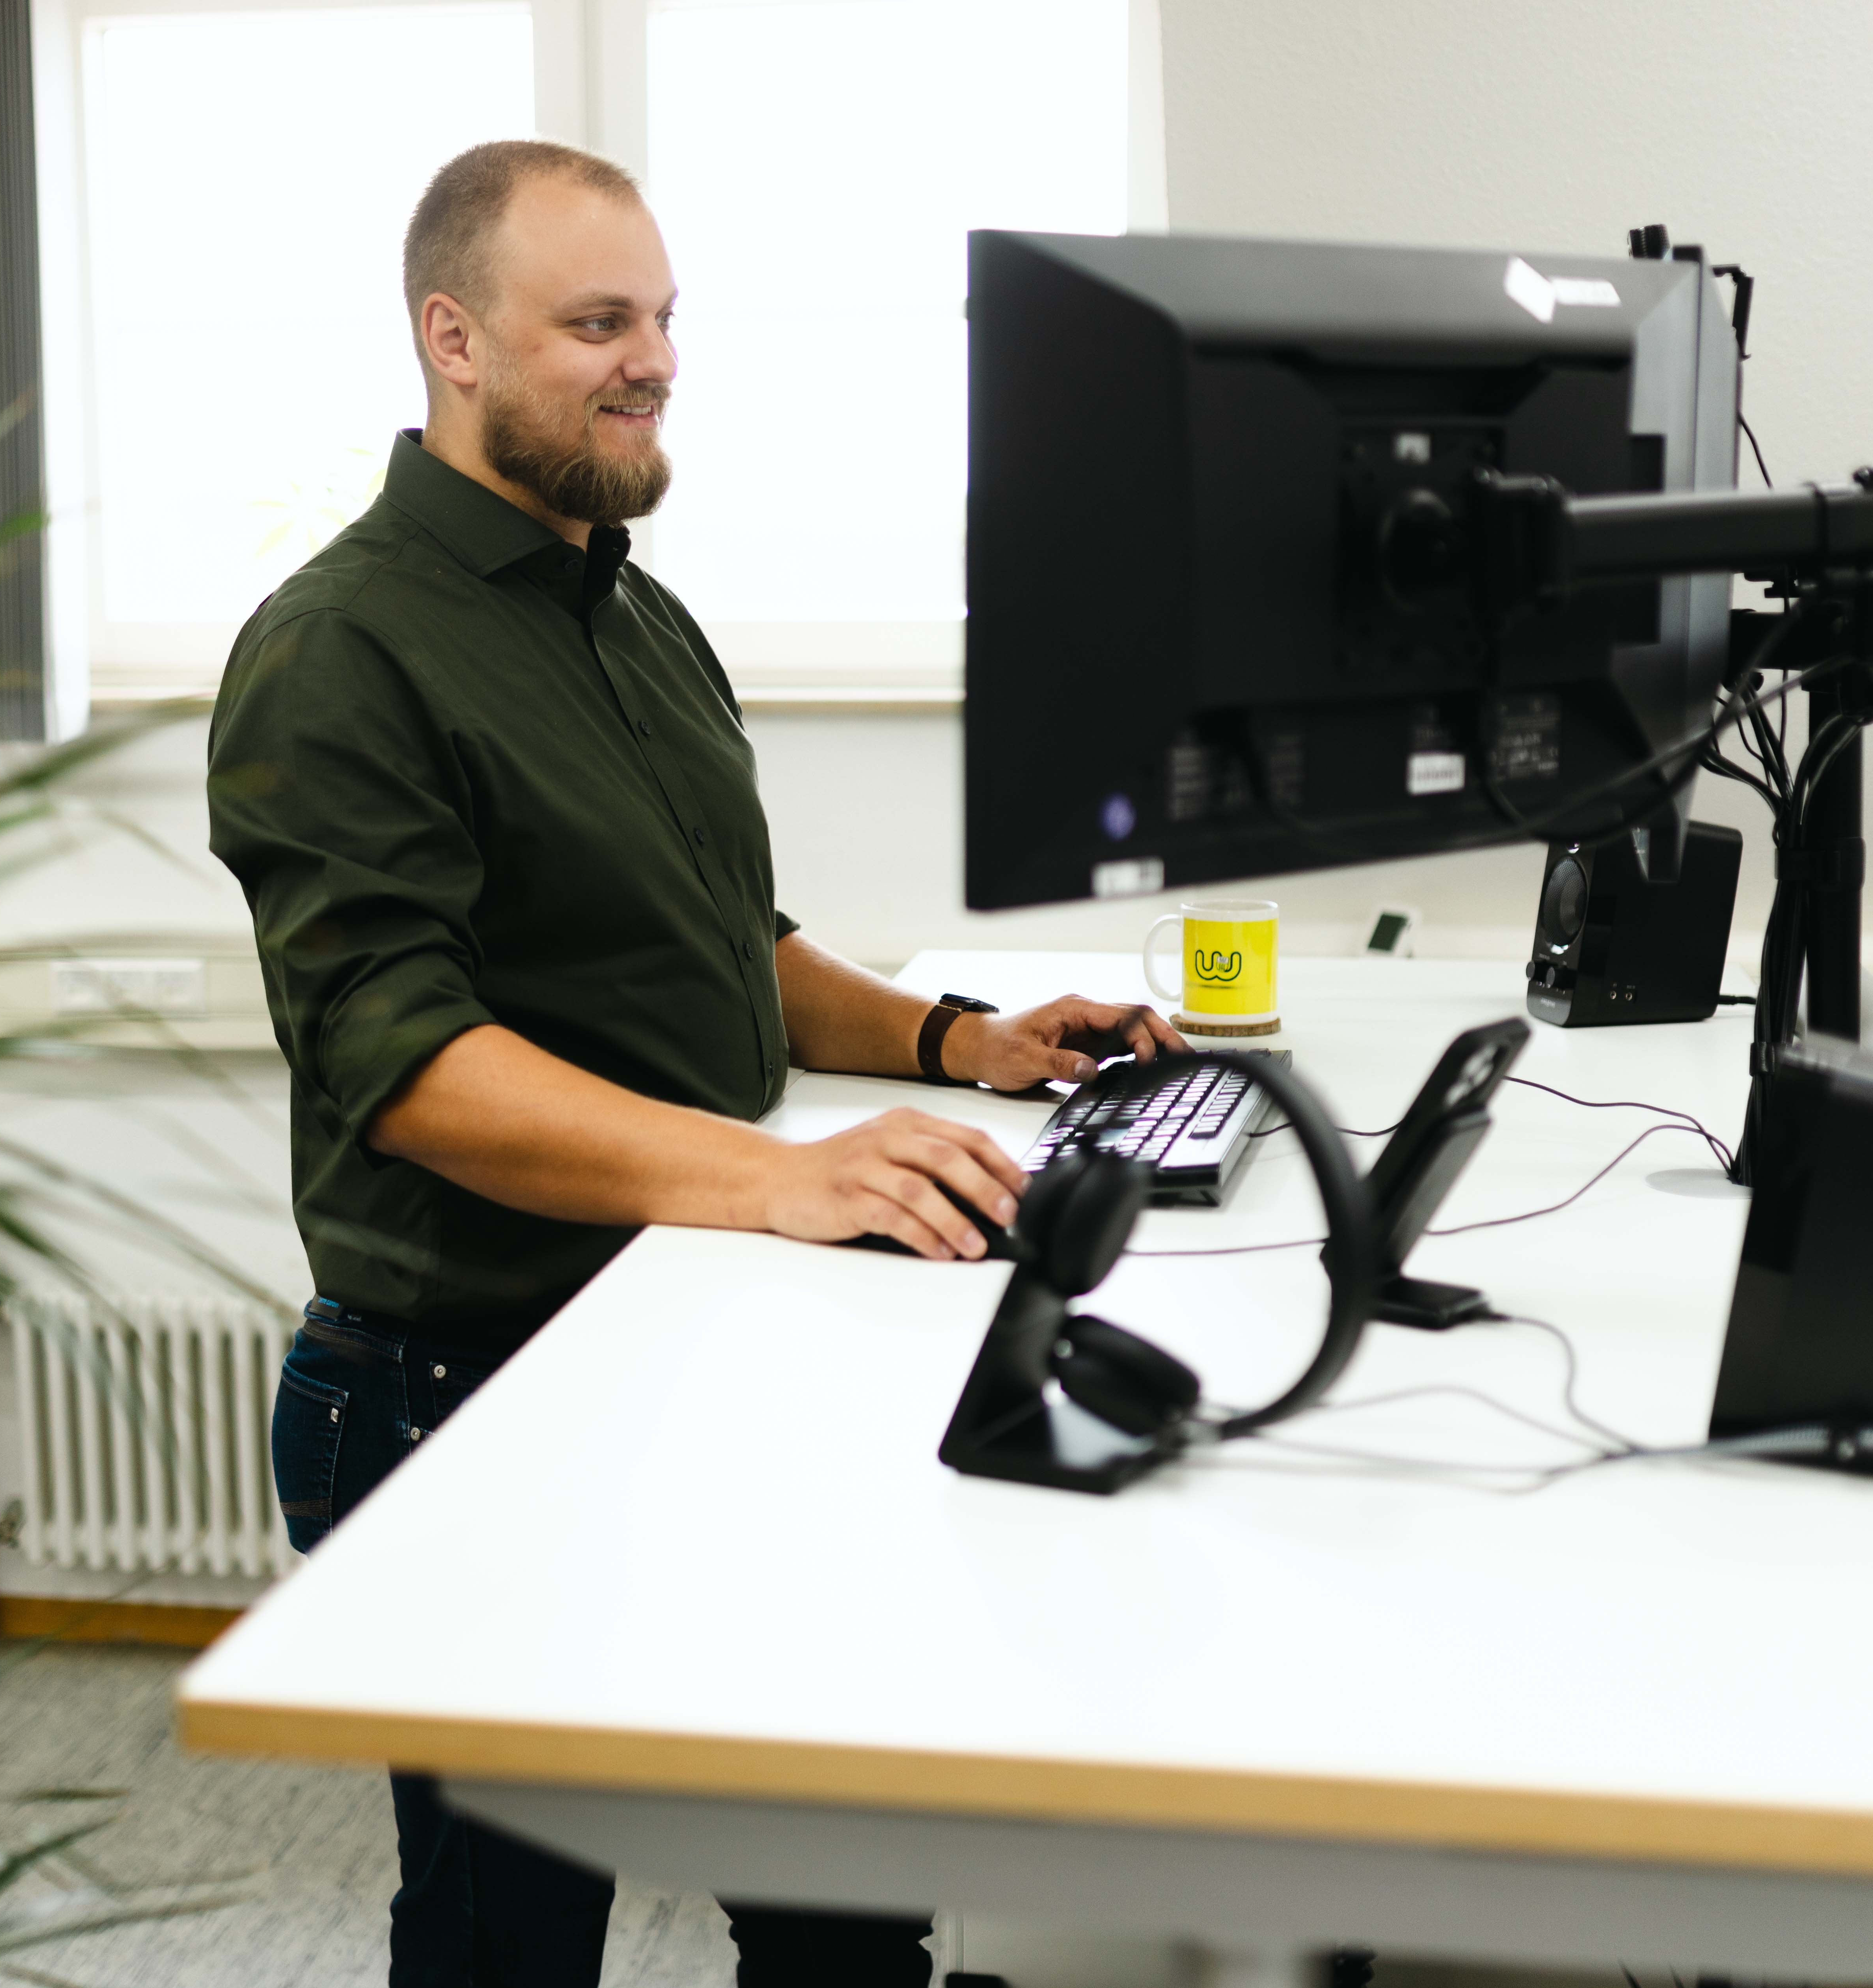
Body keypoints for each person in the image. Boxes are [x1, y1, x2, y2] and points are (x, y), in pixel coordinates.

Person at [206, 138, 1184, 1988]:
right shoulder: (337, 647)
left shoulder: (634, 612)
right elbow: (398, 1062)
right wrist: (786, 1176)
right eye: (597, 321)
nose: (652, 359)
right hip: (461, 1387)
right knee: (510, 1938)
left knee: (838, 1906)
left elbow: (720, 940)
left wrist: (955, 1040)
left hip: (693, 1348)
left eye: (662, 318)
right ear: (454, 340)